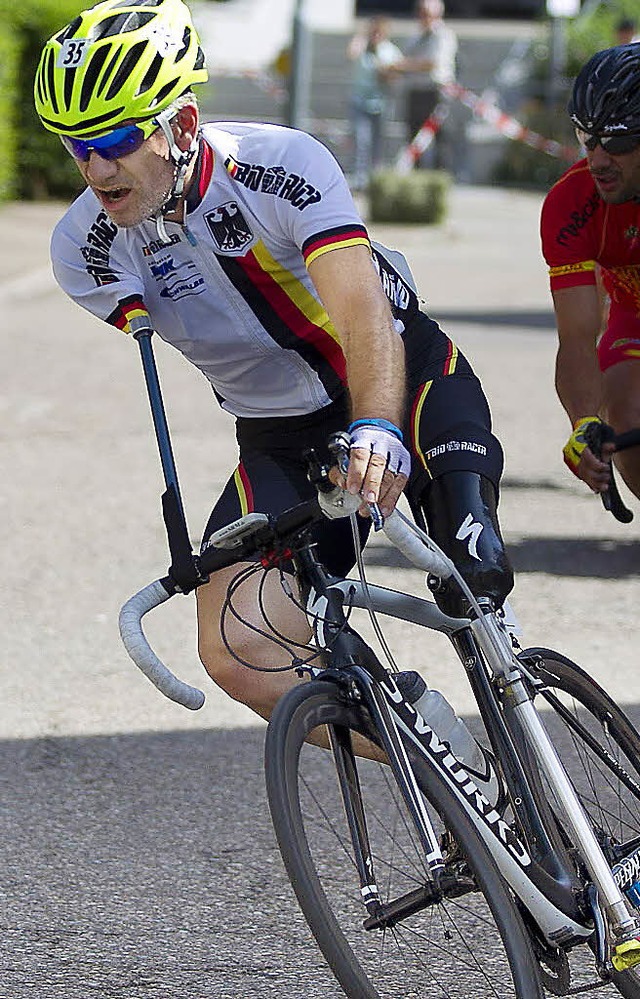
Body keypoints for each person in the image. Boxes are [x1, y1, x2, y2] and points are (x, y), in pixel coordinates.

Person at [35, 0, 513, 733]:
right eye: (77, 147)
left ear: (183, 126)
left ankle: (540, 752)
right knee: (236, 645)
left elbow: (362, 315)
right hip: (279, 435)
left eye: (117, 140)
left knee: (475, 570)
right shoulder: (82, 249)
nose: (96, 169)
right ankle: (440, 759)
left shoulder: (279, 166)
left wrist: (378, 424)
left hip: (400, 379)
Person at [540, 44, 640, 502]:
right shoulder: (572, 204)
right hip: (632, 320)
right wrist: (584, 423)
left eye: (617, 142)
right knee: (625, 417)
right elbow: (577, 339)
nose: (598, 159)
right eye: (587, 138)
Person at [384, 0, 458, 173]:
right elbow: (405, 60)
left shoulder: (443, 35)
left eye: (427, 13)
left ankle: (440, 176)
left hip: (435, 91)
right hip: (416, 91)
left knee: (438, 137)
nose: (423, 17)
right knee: (414, 136)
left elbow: (431, 63)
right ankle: (417, 175)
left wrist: (401, 66)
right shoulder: (416, 36)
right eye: (421, 12)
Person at [347, 17, 402, 190]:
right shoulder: (362, 47)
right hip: (360, 101)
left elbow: (397, 74)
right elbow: (350, 54)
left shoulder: (390, 50)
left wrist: (385, 73)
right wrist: (361, 36)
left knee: (378, 142)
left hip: (380, 102)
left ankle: (376, 178)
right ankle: (360, 179)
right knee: (361, 140)